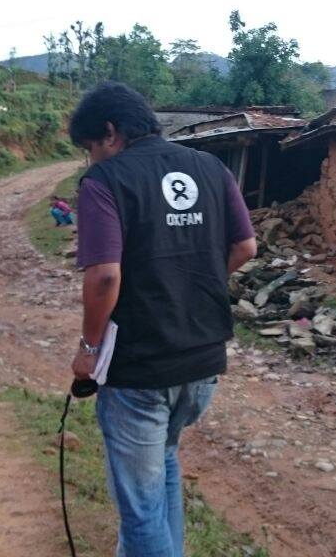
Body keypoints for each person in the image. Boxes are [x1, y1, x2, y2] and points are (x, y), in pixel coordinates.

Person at [68, 82, 257, 557]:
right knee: (165, 462)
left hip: (139, 368)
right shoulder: (211, 168)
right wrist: (192, 284)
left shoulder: (105, 182)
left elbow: (106, 276)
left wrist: (89, 350)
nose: (92, 159)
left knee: (139, 510)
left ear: (109, 133)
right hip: (203, 362)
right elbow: (245, 247)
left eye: (91, 147)